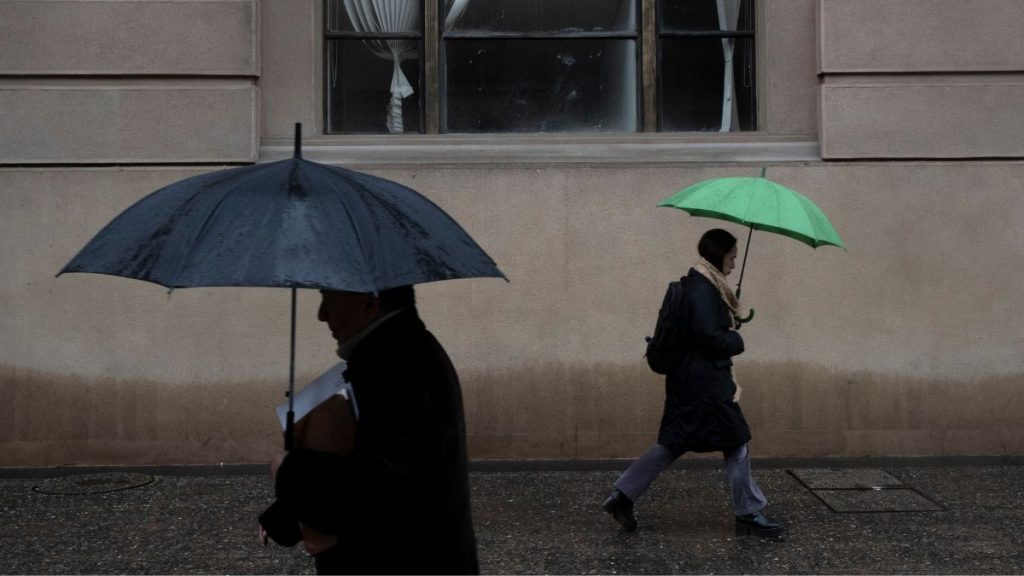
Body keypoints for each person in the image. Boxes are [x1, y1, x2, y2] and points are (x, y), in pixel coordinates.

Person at [258, 285, 479, 574]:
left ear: (370, 302)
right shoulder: (394, 355)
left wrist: (289, 469)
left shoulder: (398, 367)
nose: (321, 315)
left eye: (328, 299)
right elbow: (375, 463)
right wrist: (283, 517)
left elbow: (375, 487)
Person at [602, 228, 784, 537]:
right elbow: (707, 336)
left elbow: (702, 328)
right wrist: (735, 337)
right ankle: (749, 513)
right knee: (736, 440)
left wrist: (725, 317)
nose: (734, 263)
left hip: (687, 380)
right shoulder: (703, 289)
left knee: (674, 441)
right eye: (732, 257)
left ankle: (622, 495)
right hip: (705, 384)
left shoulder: (700, 285)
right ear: (719, 255)